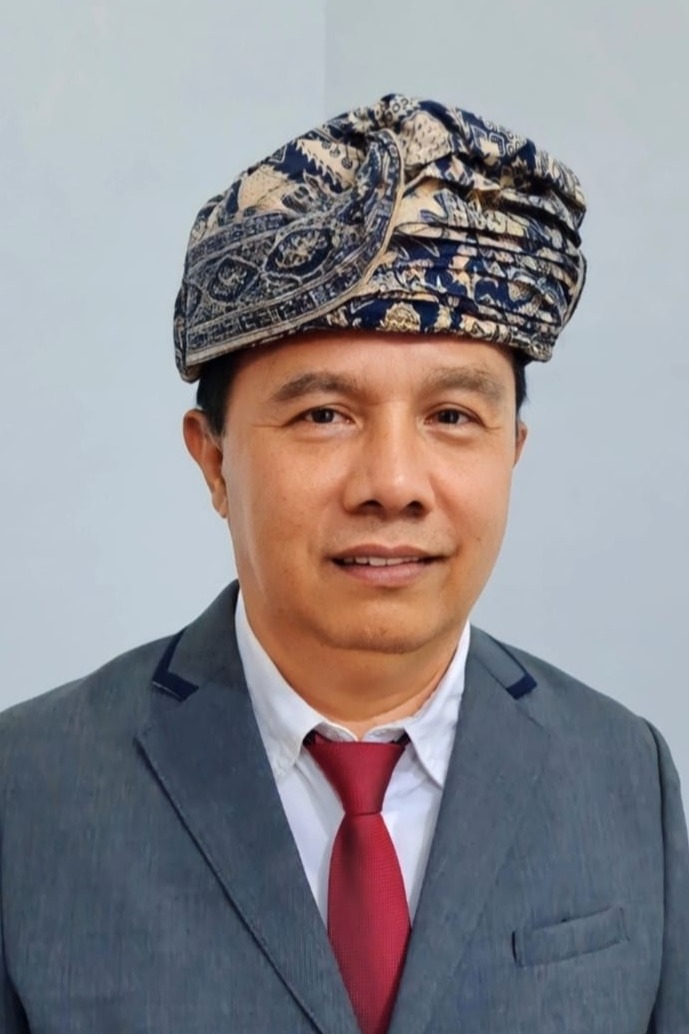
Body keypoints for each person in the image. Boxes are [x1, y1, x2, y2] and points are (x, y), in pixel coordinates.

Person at [0, 95, 687, 1034]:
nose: (393, 485)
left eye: (453, 416)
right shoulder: (29, 789)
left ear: (512, 453)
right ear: (213, 461)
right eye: (324, 414)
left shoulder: (622, 776)